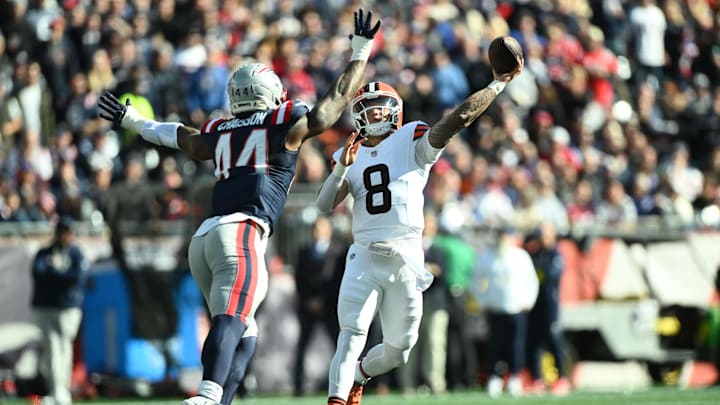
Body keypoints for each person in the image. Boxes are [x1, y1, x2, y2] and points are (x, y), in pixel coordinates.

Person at [97, 9, 381, 405]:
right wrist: (361, 52)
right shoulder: (286, 120)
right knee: (231, 319)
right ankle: (208, 395)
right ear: (271, 93)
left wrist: (133, 120)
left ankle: (220, 399)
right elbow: (332, 104)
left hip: (206, 238)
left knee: (244, 334)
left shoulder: (219, 130)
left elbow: (182, 137)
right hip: (242, 233)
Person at [316, 54, 523, 405]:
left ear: (395, 110)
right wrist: (340, 169)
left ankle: (359, 375)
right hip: (364, 253)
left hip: (406, 256)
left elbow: (459, 118)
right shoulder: (348, 154)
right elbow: (323, 206)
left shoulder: (412, 141)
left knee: (400, 349)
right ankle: (336, 400)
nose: (374, 113)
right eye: (367, 108)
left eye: (380, 107)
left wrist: (497, 84)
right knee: (351, 333)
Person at [472, 227, 539, 398]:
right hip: (496, 309)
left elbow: (531, 280)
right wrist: (483, 301)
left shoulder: (520, 256)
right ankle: (495, 378)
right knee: (495, 346)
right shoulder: (488, 256)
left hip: (516, 308)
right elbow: (476, 280)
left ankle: (515, 377)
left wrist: (528, 301)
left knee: (516, 345)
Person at [31, 217, 88, 405]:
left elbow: (76, 277)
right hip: (47, 307)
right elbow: (39, 274)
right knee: (53, 350)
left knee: (64, 349)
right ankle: (57, 392)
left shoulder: (75, 253)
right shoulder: (45, 253)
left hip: (68, 308)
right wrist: (59, 275)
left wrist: (55, 273)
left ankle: (62, 391)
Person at [293, 215, 347, 396]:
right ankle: (298, 387)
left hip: (329, 307)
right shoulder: (303, 251)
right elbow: (299, 280)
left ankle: (343, 384)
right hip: (307, 308)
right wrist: (308, 301)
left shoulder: (339, 252)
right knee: (302, 347)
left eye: (322, 228)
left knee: (339, 346)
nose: (318, 232)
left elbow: (337, 281)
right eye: (316, 228)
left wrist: (324, 300)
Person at [525, 223, 571, 395]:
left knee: (554, 342)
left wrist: (537, 274)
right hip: (535, 306)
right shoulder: (535, 254)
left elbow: (550, 276)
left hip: (550, 306)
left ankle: (562, 378)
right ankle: (536, 379)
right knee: (534, 343)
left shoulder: (555, 255)